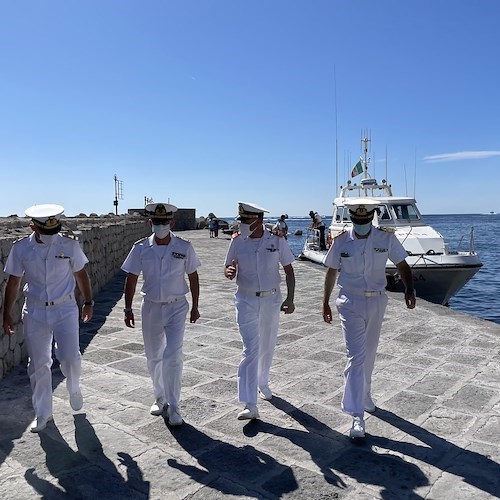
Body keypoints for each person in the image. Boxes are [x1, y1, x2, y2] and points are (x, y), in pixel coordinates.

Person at [322, 199, 416, 440]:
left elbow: (402, 264)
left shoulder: (386, 239)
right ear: (351, 219)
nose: (361, 223)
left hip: (377, 300)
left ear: (371, 218)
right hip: (350, 301)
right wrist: (325, 301)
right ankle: (356, 415)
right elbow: (332, 270)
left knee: (370, 353)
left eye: (365, 220)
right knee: (356, 356)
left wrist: (409, 288)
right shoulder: (342, 241)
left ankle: (365, 394)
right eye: (357, 220)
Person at [2, 204, 93, 433]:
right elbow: (14, 282)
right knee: (39, 363)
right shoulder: (21, 248)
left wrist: (89, 302)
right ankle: (43, 413)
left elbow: (81, 274)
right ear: (33, 227)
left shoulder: (69, 245)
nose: (52, 235)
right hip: (35, 311)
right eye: (46, 230)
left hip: (65, 309)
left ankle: (73, 386)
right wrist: (7, 314)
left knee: (70, 357)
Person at [121, 202, 201, 426]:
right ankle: (160, 397)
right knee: (154, 356)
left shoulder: (184, 247)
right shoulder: (140, 248)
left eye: (164, 222)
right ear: (150, 223)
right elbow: (132, 277)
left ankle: (175, 406)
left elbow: (193, 276)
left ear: (172, 223)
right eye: (156, 222)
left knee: (173, 355)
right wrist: (127, 308)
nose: (160, 225)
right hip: (151, 307)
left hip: (177, 306)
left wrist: (195, 306)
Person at [224, 201, 296, 420]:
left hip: (271, 299)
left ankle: (263, 381)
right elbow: (228, 266)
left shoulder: (276, 240)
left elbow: (289, 269)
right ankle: (249, 403)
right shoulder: (237, 242)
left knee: (267, 344)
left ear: (259, 221)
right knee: (250, 349)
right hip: (245, 299)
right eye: (241, 220)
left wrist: (290, 299)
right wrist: (229, 271)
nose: (242, 224)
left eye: (246, 221)